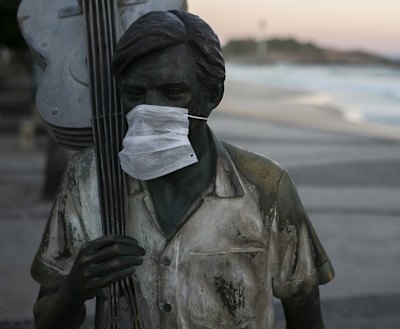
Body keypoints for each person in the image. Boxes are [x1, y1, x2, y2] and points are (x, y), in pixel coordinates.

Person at [30, 11, 334, 329]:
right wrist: (72, 291)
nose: (150, 109)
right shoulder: (86, 178)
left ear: (213, 95)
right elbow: (45, 320)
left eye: (173, 93)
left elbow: (306, 316)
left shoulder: (267, 186)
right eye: (135, 94)